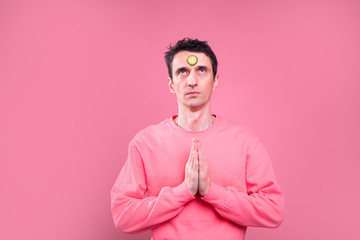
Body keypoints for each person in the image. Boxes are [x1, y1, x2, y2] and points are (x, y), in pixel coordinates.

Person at [111, 38, 284, 240]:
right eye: (182, 71)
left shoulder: (246, 141)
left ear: (215, 81)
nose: (192, 81)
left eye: (201, 70)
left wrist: (212, 192)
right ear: (171, 84)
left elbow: (274, 211)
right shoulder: (145, 143)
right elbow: (122, 215)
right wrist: (184, 192)